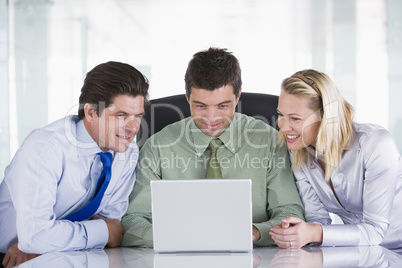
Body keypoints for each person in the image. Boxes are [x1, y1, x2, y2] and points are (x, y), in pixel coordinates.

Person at [120, 47, 305, 248]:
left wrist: (256, 233)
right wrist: (186, 239)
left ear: (238, 96)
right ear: (187, 97)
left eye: (222, 106)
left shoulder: (269, 141)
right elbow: (133, 221)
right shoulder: (158, 146)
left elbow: (289, 211)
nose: (211, 119)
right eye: (200, 106)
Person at [0, 61, 149, 268]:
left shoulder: (127, 152)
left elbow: (113, 227)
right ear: (90, 113)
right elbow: (36, 235)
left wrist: (49, 242)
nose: (133, 128)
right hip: (11, 259)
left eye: (138, 116)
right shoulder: (46, 148)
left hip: (70, 257)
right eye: (121, 116)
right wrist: (101, 232)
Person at [270, 69, 402, 249]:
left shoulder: (375, 144)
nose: (283, 127)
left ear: (326, 117)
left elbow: (374, 230)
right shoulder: (299, 151)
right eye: (280, 115)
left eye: (294, 118)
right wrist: (298, 231)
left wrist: (314, 232)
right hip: (364, 253)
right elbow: (317, 219)